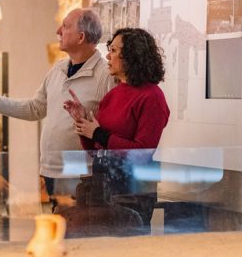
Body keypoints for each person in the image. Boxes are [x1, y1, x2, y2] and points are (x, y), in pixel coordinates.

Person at [0, 8, 116, 200]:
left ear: (81, 37)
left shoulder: (105, 75)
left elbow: (112, 127)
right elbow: (34, 108)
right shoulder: (58, 69)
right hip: (51, 169)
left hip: (84, 174)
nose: (58, 31)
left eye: (65, 26)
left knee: (79, 228)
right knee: (57, 227)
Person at [64, 27, 170, 225]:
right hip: (102, 189)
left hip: (132, 191)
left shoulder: (152, 96)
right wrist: (83, 123)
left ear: (131, 55)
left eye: (113, 50)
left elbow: (142, 153)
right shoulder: (114, 94)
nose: (108, 55)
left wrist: (98, 133)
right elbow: (96, 150)